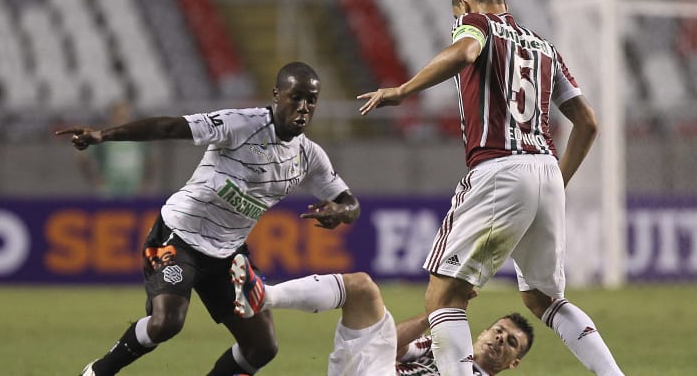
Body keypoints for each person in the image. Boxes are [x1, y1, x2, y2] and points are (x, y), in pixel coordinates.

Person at [357, 0, 624, 375]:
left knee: (444, 297)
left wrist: (403, 91)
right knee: (544, 300)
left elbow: (465, 53)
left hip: (499, 166)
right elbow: (587, 122)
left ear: (465, 5)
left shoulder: (476, 24)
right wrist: (557, 183)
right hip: (546, 169)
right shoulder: (544, 46)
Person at [56, 61, 361, 376]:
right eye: (295, 97)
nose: (303, 107)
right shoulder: (242, 123)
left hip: (228, 253)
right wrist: (103, 135)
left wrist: (343, 212)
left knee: (262, 347)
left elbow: (349, 202)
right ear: (276, 95)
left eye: (311, 100)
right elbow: (170, 127)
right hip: (179, 235)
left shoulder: (309, 156)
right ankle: (98, 372)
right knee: (166, 322)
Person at [230, 253, 534, 375]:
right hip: (375, 370)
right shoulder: (448, 342)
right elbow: (395, 346)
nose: (499, 339)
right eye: (499, 330)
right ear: (483, 332)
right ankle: (263, 296)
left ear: (513, 363)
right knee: (361, 287)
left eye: (510, 342)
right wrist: (438, 314)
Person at [75, 100, 156, 198]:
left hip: (134, 191)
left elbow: (151, 161)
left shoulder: (138, 137)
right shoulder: (103, 137)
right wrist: (95, 180)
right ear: (112, 117)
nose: (121, 119)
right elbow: (82, 159)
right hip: (109, 191)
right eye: (118, 115)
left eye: (124, 115)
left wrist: (146, 182)